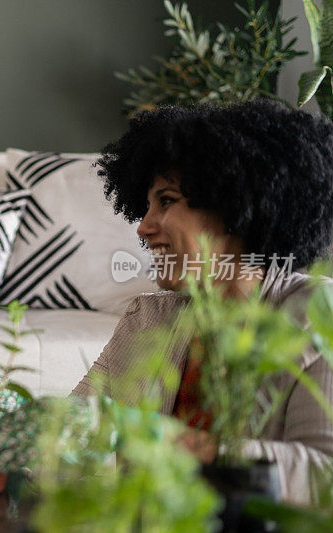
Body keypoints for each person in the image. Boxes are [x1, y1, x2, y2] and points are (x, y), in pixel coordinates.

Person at [72, 99, 333, 503]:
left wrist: (181, 446)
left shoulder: (318, 314)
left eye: (167, 200)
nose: (142, 227)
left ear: (235, 207)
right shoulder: (150, 317)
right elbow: (78, 421)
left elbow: (323, 473)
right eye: (145, 206)